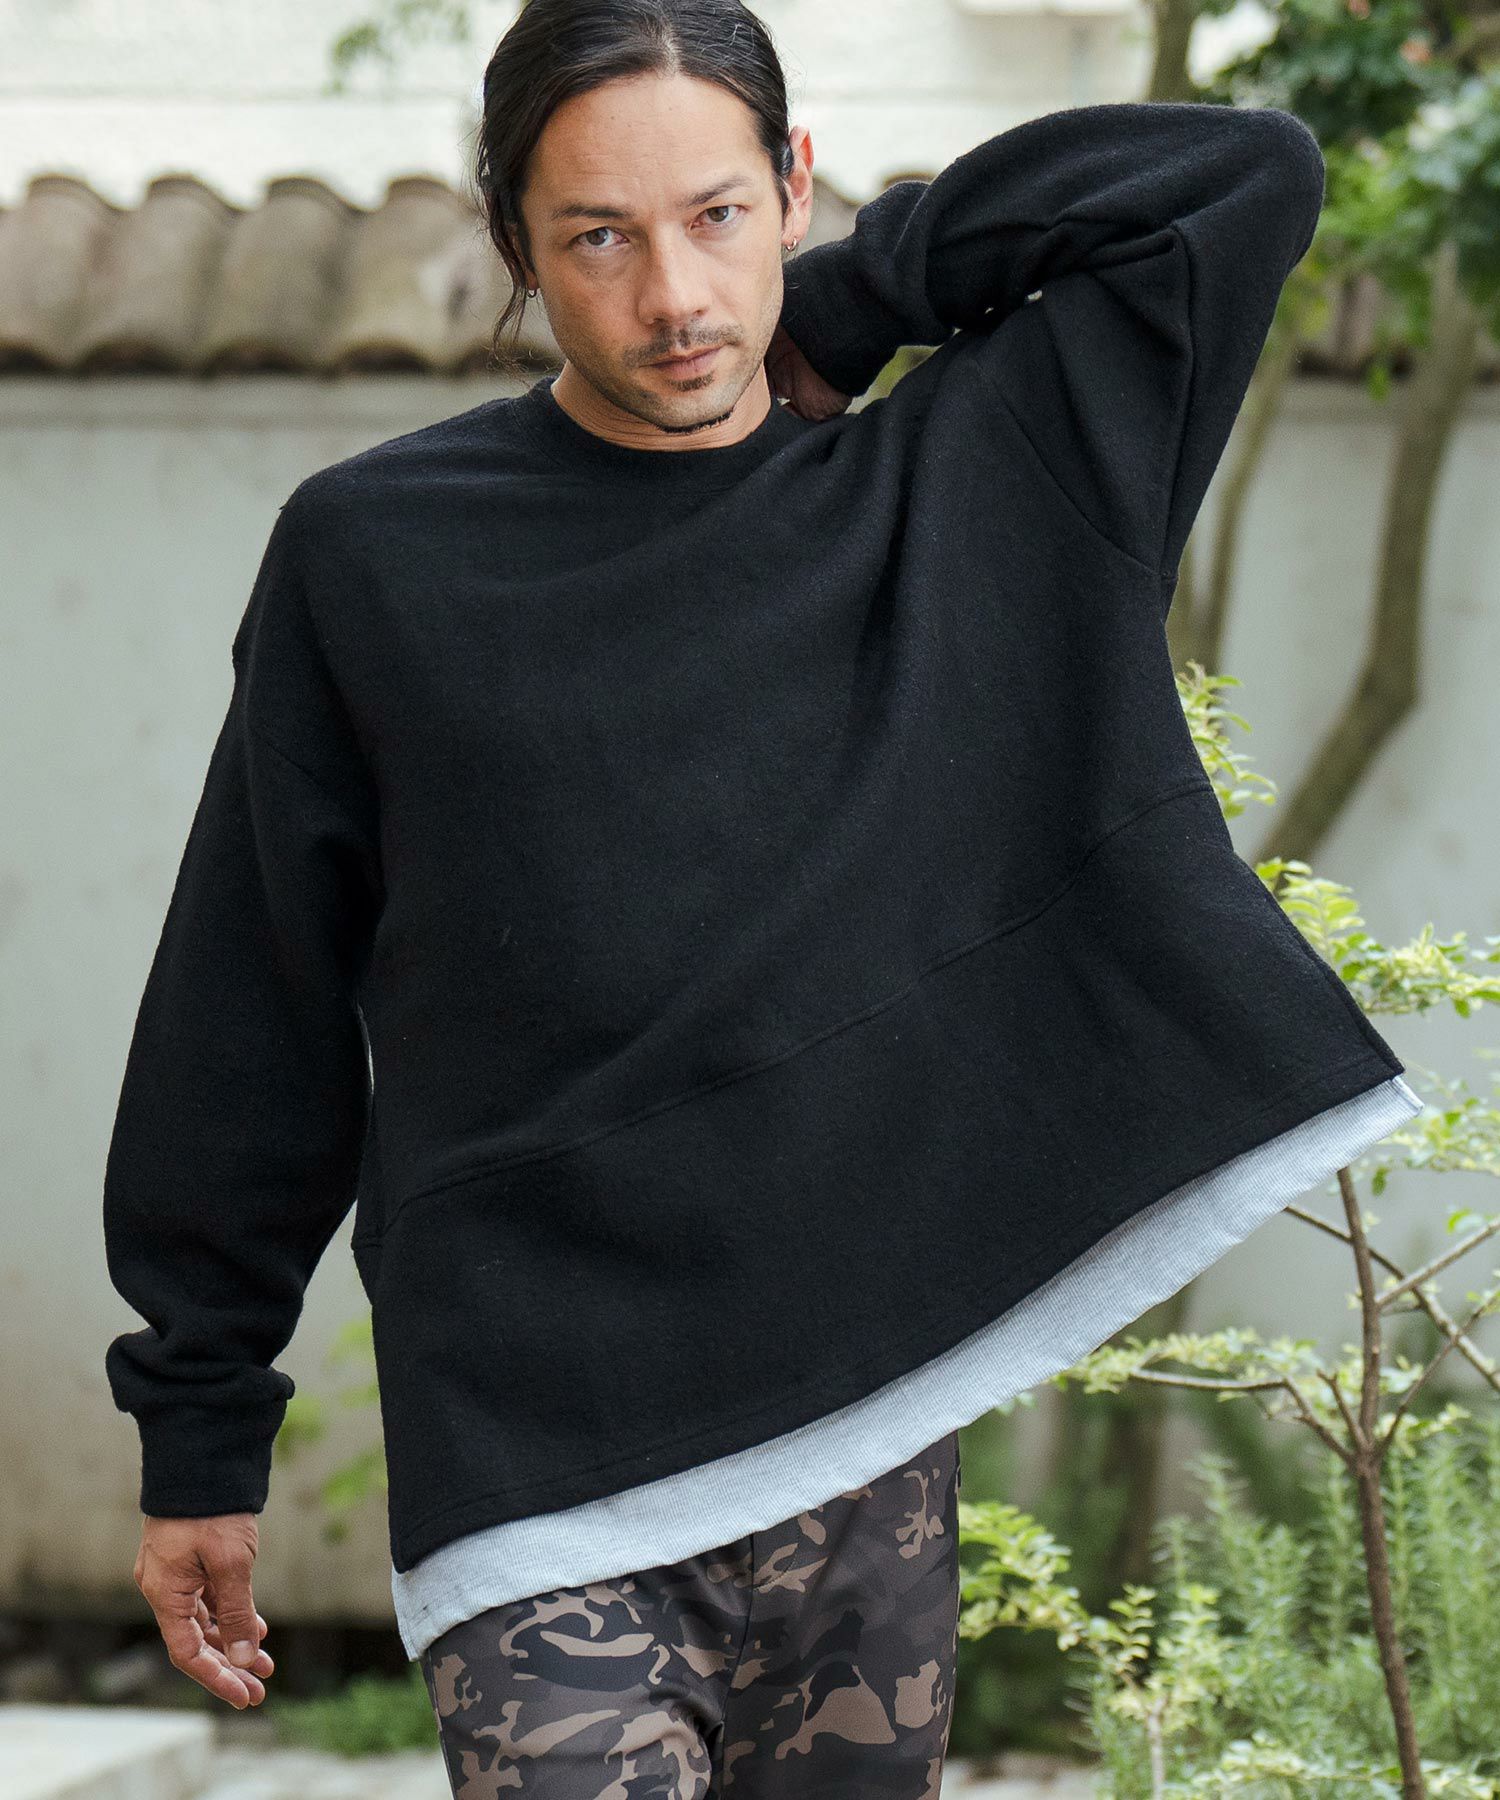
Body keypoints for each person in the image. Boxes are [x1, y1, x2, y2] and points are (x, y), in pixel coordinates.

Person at [101, 0, 1422, 1792]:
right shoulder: (379, 555)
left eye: (717, 216)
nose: (675, 299)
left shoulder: (966, 482)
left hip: (859, 1432)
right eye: (597, 237)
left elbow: (1240, 174)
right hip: (540, 1466)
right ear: (511, 242)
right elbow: (250, 995)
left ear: (796, 184)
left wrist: (860, 297)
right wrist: (200, 1419)